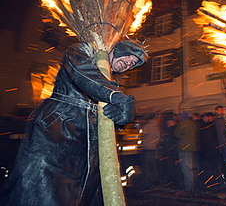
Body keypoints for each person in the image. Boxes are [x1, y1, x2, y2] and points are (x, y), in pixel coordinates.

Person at [0, 39, 148, 206]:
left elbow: (107, 113)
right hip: (57, 129)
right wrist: (116, 97)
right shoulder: (83, 51)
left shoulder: (111, 81)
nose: (129, 63)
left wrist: (120, 119)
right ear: (118, 49)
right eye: (129, 56)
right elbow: (82, 73)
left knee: (78, 197)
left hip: (86, 145)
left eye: (133, 63)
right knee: (40, 190)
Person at [174, 111, 198, 196]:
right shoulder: (193, 124)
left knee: (186, 169)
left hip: (183, 148)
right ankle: (192, 187)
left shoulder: (182, 124)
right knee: (190, 168)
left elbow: (176, 134)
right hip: (191, 148)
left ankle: (188, 188)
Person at [197, 112, 222, 189]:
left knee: (214, 167)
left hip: (211, 150)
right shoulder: (201, 127)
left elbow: (213, 139)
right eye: (204, 117)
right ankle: (209, 183)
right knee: (206, 168)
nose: (205, 119)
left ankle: (216, 183)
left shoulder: (211, 126)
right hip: (204, 151)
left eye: (206, 117)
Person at [140, 111, 162, 189]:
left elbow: (142, 135)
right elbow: (158, 138)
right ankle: (155, 181)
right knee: (153, 165)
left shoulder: (147, 126)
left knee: (146, 166)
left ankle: (146, 183)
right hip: (153, 148)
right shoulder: (156, 127)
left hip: (146, 148)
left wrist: (142, 143)